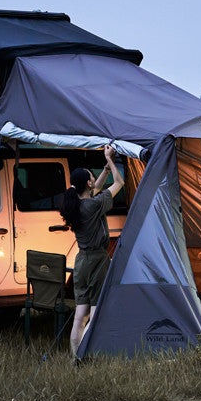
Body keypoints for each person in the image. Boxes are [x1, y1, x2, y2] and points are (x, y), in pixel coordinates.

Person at [60, 145, 124, 357]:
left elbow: (94, 188)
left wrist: (105, 168)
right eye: (92, 177)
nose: (94, 180)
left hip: (81, 263)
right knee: (95, 313)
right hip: (97, 260)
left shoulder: (76, 204)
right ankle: (92, 353)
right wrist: (111, 159)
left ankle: (76, 357)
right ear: (88, 183)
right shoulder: (94, 205)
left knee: (80, 314)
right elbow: (119, 183)